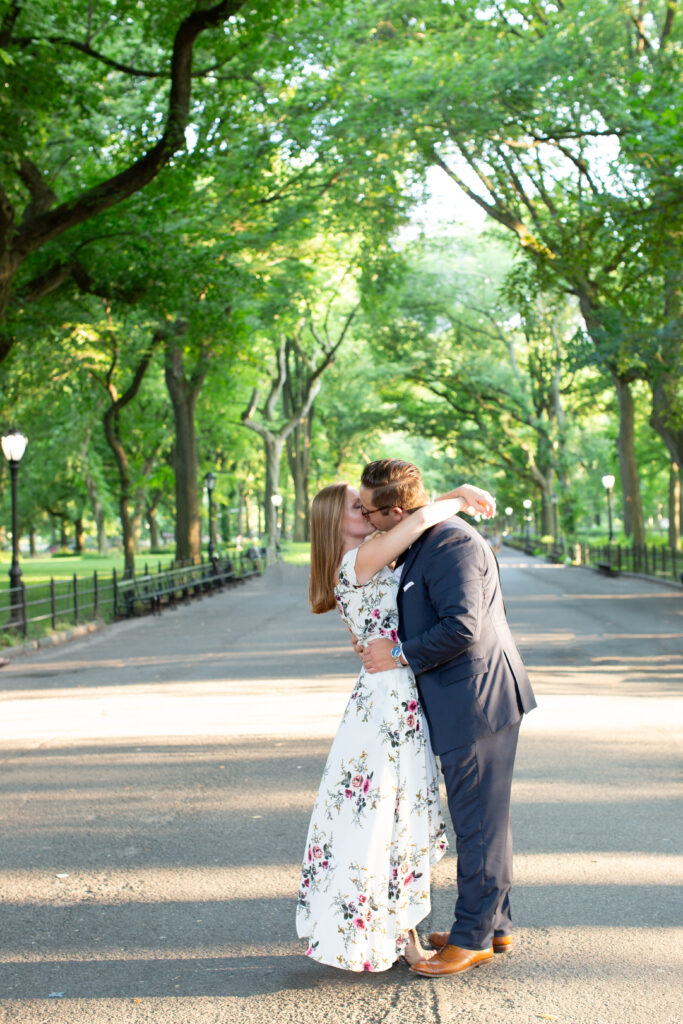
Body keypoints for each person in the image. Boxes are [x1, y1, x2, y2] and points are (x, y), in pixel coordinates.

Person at [296, 479, 495, 973]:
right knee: (388, 819)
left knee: (394, 818)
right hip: (386, 705)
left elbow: (405, 514)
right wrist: (461, 493)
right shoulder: (357, 562)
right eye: (353, 504)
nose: (364, 507)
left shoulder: (370, 557)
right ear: (332, 522)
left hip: (393, 699)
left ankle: (401, 934)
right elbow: (420, 517)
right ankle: (402, 941)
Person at [359, 459, 536, 978]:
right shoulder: (425, 538)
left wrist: (397, 653)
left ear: (395, 510)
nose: (366, 520)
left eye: (369, 512)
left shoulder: (452, 544)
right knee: (485, 820)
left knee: (477, 825)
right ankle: (492, 924)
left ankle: (472, 937)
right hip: (466, 698)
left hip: (477, 700)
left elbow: (462, 627)